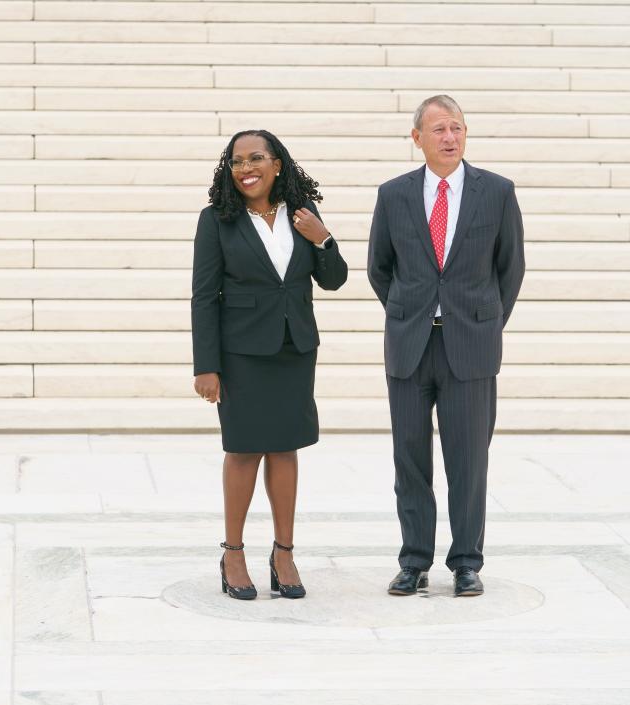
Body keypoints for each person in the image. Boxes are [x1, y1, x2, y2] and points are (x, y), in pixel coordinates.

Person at [367, 95, 525, 598]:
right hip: (411, 345)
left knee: (468, 460)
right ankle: (413, 560)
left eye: (456, 127)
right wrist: (408, 312)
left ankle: (466, 562)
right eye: (438, 129)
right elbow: (379, 268)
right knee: (409, 459)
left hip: (470, 347)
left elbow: (511, 268)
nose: (449, 137)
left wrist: (484, 322)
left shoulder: (496, 192)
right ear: (417, 138)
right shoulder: (393, 195)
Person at [191, 129, 348, 600]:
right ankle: (233, 552)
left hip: (294, 349)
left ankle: (284, 553)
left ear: (277, 164)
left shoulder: (304, 215)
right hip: (241, 354)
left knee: (285, 448)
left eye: (255, 158)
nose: (245, 168)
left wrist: (323, 240)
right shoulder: (217, 220)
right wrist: (206, 366)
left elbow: (335, 280)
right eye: (236, 162)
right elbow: (204, 297)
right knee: (243, 450)